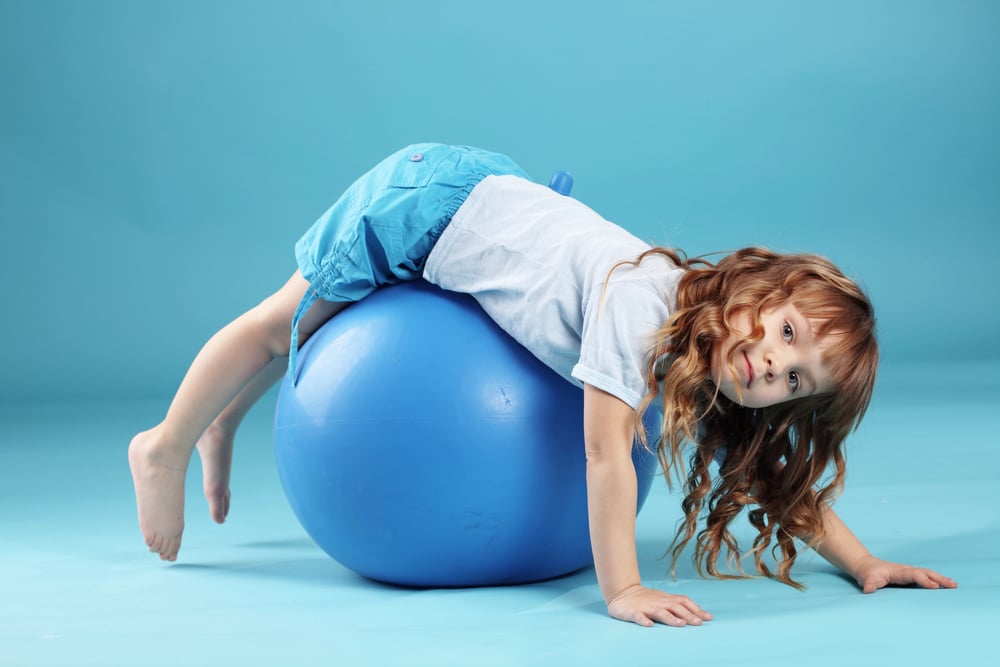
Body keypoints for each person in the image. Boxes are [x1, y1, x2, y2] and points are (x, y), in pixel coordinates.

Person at [128, 143, 957, 628]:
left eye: (797, 380)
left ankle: (221, 419)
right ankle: (164, 443)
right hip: (431, 206)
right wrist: (623, 587)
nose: (776, 365)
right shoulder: (645, 306)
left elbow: (771, 478)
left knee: (297, 334)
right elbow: (601, 451)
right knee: (282, 324)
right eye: (784, 332)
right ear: (754, 289)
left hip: (493, 203)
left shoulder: (704, 363)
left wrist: (862, 560)